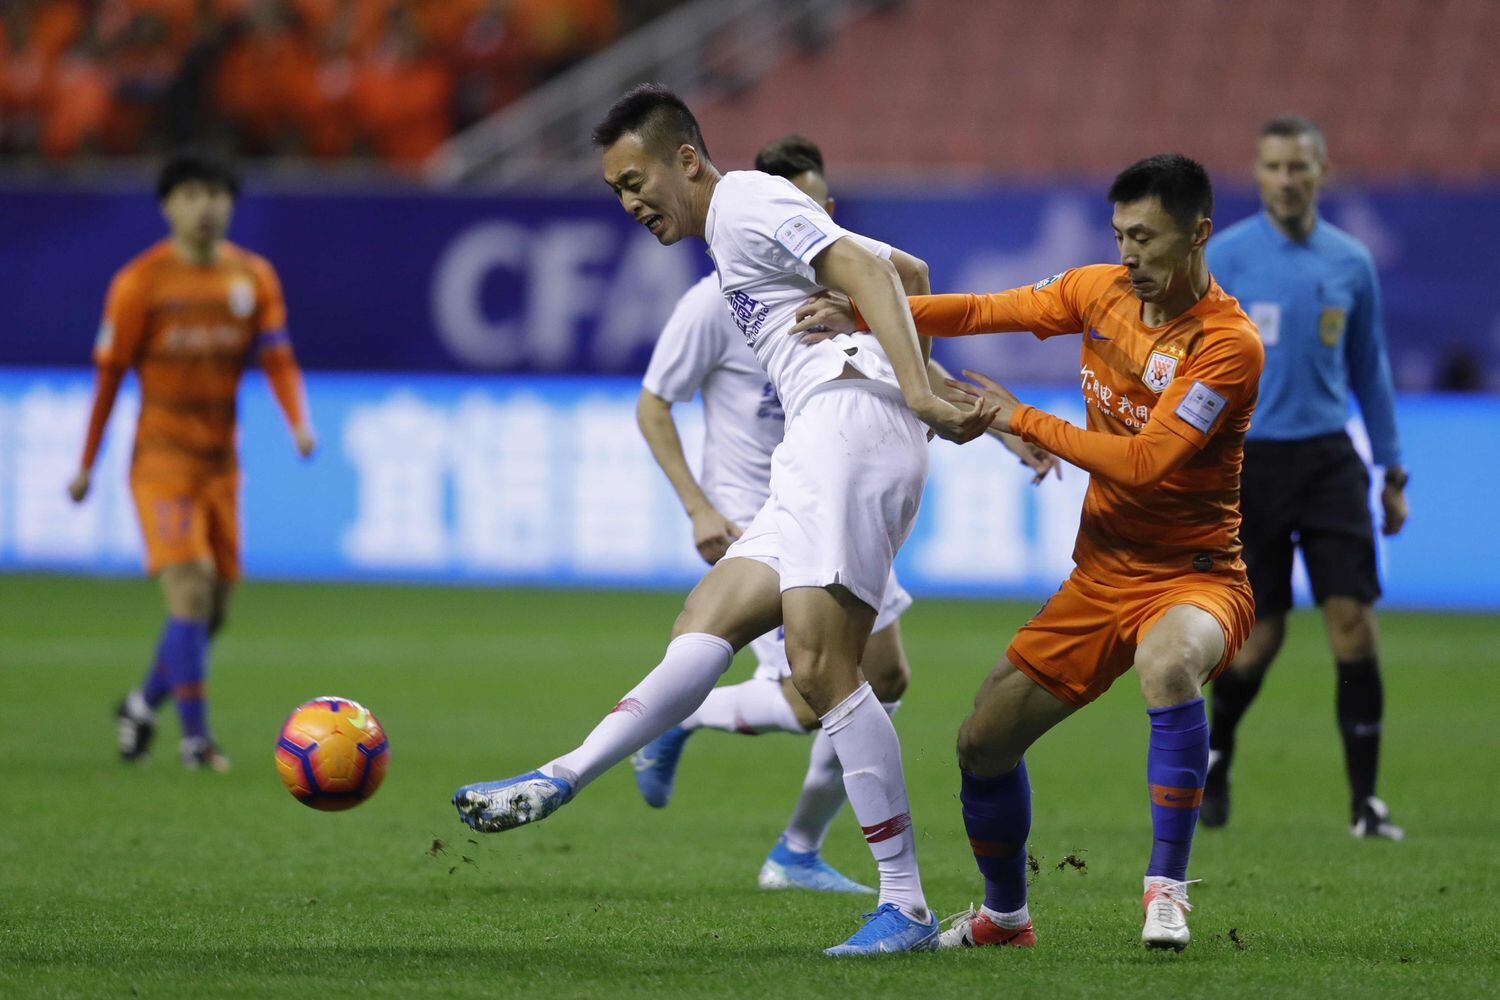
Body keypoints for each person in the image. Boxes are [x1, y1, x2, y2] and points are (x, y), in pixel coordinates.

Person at [452, 84, 997, 956]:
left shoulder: (744, 203)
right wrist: (905, 378)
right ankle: (562, 775)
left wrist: (919, 396)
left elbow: (865, 273)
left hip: (846, 429)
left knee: (825, 670)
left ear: (688, 160)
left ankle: (904, 902)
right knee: (705, 620)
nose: (631, 203)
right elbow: (912, 278)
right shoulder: (729, 243)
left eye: (637, 180)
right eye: (615, 192)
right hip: (823, 443)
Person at [794, 154, 1262, 952]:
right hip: (1102, 573)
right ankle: (1005, 918)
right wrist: (868, 316)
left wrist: (1021, 421)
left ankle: (1167, 892)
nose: (1129, 255)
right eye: (1119, 235)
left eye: (1146, 238)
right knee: (983, 739)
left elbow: (1146, 461)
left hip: (1197, 575)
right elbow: (981, 309)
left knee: (1169, 664)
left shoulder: (1228, 344)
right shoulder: (1097, 290)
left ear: (1198, 235)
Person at [632, 133, 1058, 896]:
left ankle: (798, 849)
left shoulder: (848, 291)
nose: (806, 218)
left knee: (885, 676)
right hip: (764, 506)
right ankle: (678, 715)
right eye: (793, 204)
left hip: (845, 484)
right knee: (814, 689)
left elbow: (915, 370)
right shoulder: (719, 298)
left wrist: (1006, 429)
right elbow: (653, 402)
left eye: (816, 206)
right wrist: (697, 505)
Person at [68, 151, 315, 772]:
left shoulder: (253, 278)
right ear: (167, 206)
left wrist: (299, 423)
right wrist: (86, 463)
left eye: (215, 194)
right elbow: (109, 378)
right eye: (190, 194)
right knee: (190, 589)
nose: (204, 206)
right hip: (161, 460)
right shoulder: (139, 283)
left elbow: (277, 358)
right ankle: (196, 742)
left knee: (215, 608)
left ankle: (141, 706)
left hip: (220, 465)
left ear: (230, 204)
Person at [1203, 115, 1407, 839]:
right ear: (1257, 175)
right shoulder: (1224, 257)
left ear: (1321, 172)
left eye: (1299, 167)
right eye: (1274, 167)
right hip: (1250, 464)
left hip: (1327, 458)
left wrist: (1392, 469)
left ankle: (1365, 804)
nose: (1287, 179)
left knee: (1353, 625)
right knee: (1259, 639)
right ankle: (1217, 756)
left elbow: (1369, 368)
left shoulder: (1350, 263)